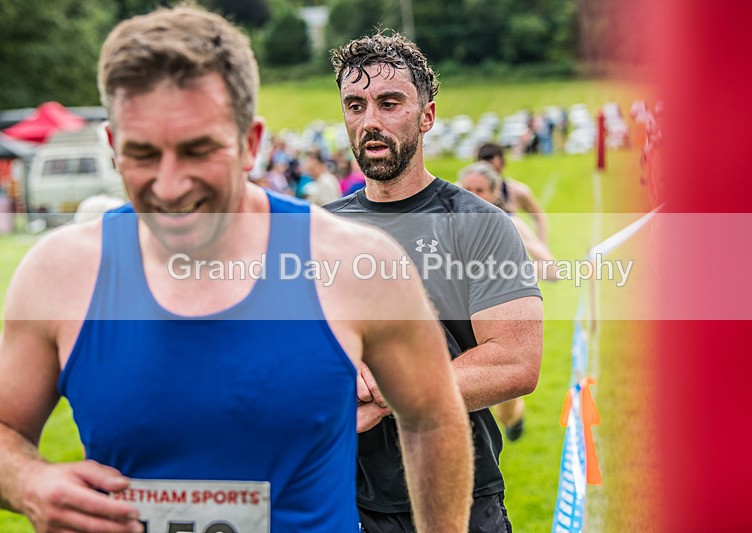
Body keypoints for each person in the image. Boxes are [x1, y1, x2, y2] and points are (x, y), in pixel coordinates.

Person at [0, 6, 473, 533]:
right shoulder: (59, 274)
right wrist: (28, 482)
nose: (170, 184)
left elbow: (433, 417)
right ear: (112, 146)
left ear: (250, 143)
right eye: (142, 155)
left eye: (198, 150)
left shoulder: (356, 265)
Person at [326, 32, 544, 532]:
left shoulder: (479, 223)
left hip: (460, 497)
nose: (370, 121)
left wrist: (390, 390)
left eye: (389, 103)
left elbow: (515, 361)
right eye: (355, 105)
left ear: (426, 116)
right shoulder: (318, 232)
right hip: (345, 499)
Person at [458, 161, 559, 442]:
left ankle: (515, 416)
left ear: (494, 193)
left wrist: (513, 270)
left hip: (497, 324)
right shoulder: (447, 224)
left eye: (480, 190)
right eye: (467, 189)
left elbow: (549, 266)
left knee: (504, 409)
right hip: (459, 322)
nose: (474, 196)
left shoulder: (508, 224)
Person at [477, 142, 550, 243]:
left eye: (494, 171)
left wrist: (541, 246)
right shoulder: (463, 190)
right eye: (485, 172)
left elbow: (539, 217)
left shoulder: (517, 191)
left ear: (503, 165)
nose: (491, 178)